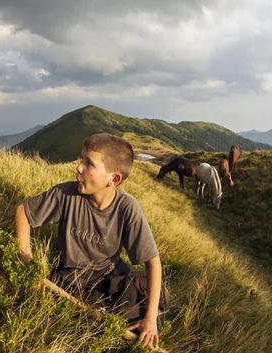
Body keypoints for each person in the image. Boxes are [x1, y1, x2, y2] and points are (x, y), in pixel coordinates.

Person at [15, 133, 164, 349]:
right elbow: (23, 212)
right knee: (70, 318)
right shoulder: (66, 194)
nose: (79, 167)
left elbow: (153, 262)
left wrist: (150, 319)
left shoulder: (127, 208)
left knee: (139, 314)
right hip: (70, 276)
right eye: (81, 159)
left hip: (110, 274)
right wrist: (25, 255)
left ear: (113, 180)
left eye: (89, 163)